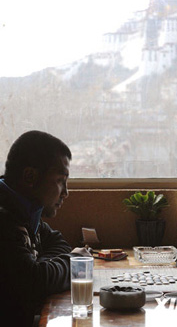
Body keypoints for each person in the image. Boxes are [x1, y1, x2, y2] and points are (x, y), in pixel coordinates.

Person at [0, 130, 92, 327]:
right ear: (30, 176)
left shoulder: (26, 211)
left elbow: (57, 241)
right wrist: (75, 261)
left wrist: (41, 266)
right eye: (60, 180)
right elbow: (35, 282)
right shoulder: (4, 219)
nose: (66, 193)